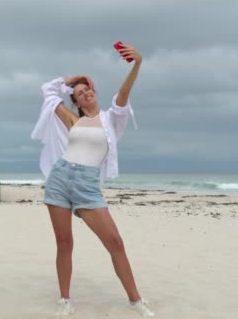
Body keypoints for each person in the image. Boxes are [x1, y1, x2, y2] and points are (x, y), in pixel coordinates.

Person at [30, 44, 154, 316]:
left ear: (95, 93)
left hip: (87, 185)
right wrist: (78, 76)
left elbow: (124, 93)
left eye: (88, 89)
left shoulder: (112, 119)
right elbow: (48, 91)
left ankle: (136, 301)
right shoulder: (72, 120)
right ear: (76, 101)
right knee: (64, 242)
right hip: (60, 178)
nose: (86, 93)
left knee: (115, 243)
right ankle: (65, 300)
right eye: (80, 93)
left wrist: (137, 64)